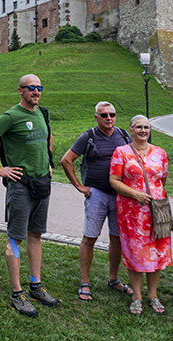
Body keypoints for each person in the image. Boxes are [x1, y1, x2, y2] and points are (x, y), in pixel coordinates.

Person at [0, 74, 57, 318]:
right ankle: (17, 294)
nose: (36, 91)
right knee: (15, 238)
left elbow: (48, 137)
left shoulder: (41, 113)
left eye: (39, 87)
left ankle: (35, 285)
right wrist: (0, 169)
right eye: (31, 88)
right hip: (20, 186)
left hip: (41, 184)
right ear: (20, 91)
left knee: (35, 235)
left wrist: (49, 162)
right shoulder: (12, 116)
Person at [60, 101, 133, 301]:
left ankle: (113, 279)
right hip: (97, 194)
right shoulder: (89, 136)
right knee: (90, 238)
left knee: (116, 239)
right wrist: (78, 186)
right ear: (96, 117)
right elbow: (66, 160)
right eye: (104, 115)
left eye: (112, 114)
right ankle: (85, 282)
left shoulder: (123, 135)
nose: (109, 118)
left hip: (119, 195)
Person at [109, 115, 173, 315]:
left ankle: (152, 295)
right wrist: (135, 194)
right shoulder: (122, 152)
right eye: (139, 127)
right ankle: (137, 295)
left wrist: (153, 197)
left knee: (157, 251)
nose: (143, 130)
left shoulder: (160, 153)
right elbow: (114, 180)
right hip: (131, 212)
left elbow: (161, 179)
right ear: (131, 129)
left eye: (146, 127)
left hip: (156, 211)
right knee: (135, 252)